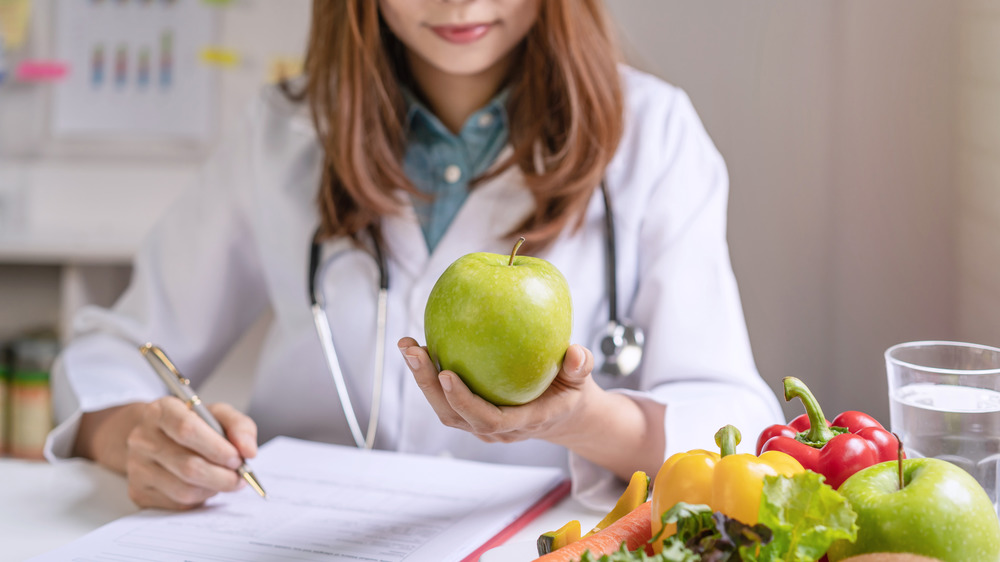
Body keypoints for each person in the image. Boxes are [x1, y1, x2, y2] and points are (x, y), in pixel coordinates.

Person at [45, 0, 783, 511]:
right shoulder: (285, 133)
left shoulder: (653, 135)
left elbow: (734, 419)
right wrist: (135, 434)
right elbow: (116, 350)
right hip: (304, 532)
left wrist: (572, 420)